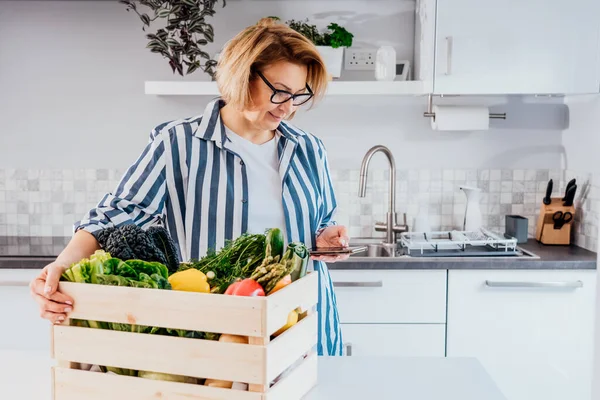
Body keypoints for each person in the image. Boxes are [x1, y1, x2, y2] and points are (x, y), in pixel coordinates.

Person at [29, 18, 350, 356]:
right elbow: (117, 215)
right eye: (280, 91)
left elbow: (319, 225)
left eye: (299, 95)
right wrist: (61, 267)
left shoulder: (309, 149)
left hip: (301, 326)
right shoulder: (178, 143)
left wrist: (324, 239)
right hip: (216, 331)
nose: (288, 106)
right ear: (243, 75)